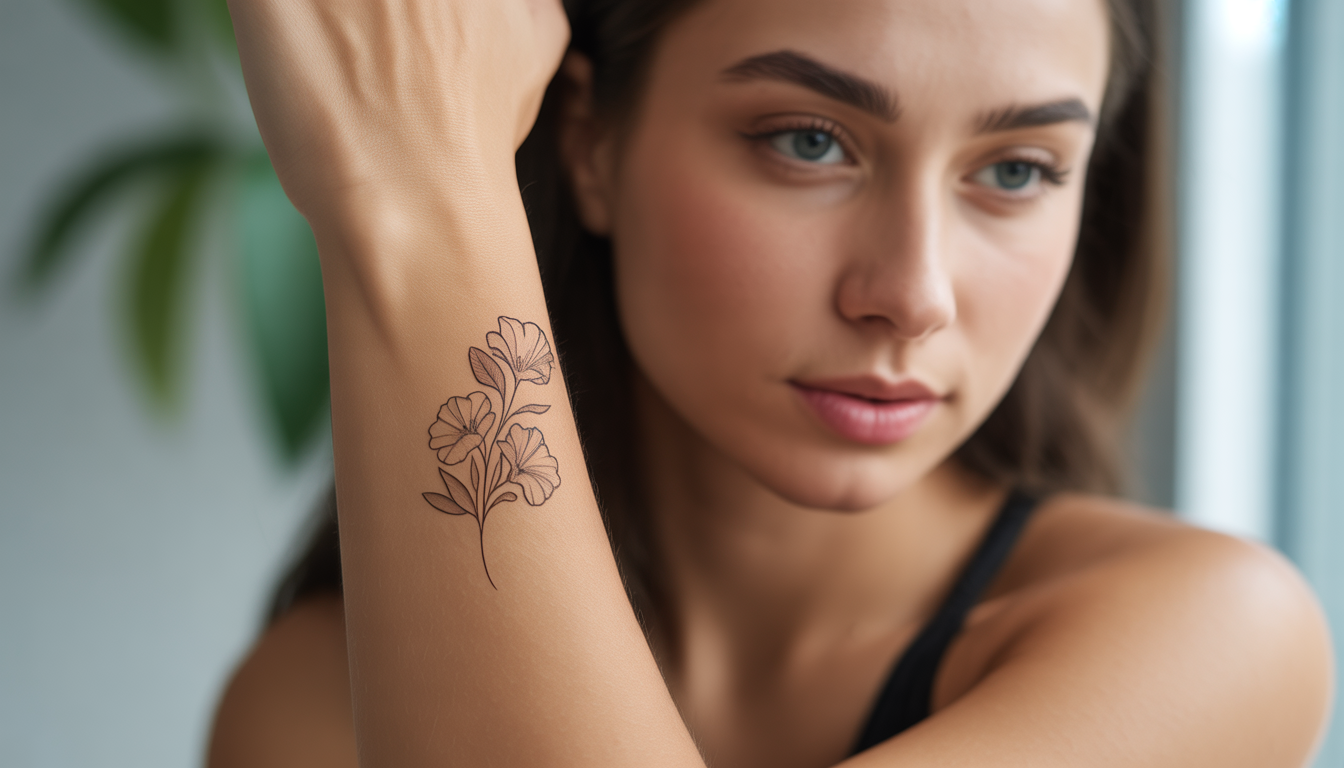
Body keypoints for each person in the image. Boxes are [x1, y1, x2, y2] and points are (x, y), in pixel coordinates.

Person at [206, 0, 1334, 766]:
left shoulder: (1216, 638)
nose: (914, 294)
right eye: (807, 142)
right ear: (589, 142)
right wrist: (434, 183)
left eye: (1016, 170)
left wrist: (422, 191)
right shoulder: (311, 706)